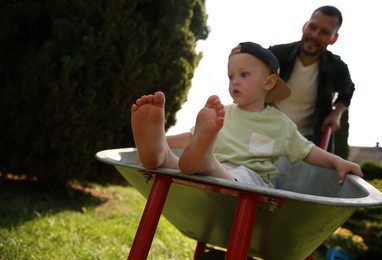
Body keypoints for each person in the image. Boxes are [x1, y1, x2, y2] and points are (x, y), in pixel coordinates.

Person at [130, 42, 362, 188]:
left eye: (244, 74)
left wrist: (337, 161)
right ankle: (160, 154)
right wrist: (163, 139)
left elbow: (308, 152)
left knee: (215, 167)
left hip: (253, 185)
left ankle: (204, 162)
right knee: (184, 164)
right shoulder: (223, 114)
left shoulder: (280, 124)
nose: (234, 82)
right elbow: (192, 139)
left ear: (269, 82)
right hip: (210, 173)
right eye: (231, 76)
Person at [269, 5, 354, 152]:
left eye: (324, 32)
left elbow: (348, 91)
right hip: (268, 131)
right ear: (304, 26)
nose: (314, 35)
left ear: (334, 38)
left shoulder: (336, 68)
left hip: (306, 141)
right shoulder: (276, 55)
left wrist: (336, 114)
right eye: (312, 27)